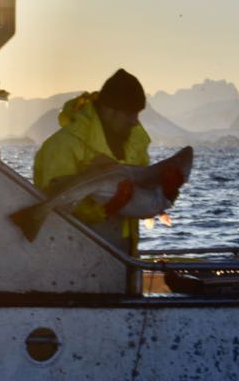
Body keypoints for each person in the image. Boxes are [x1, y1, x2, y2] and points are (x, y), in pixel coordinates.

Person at [33, 69, 151, 251]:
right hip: (73, 254)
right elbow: (55, 204)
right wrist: (105, 209)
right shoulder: (62, 145)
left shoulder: (135, 143)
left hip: (124, 255)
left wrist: (159, 195)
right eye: (129, 113)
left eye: (137, 113)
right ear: (109, 110)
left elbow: (142, 188)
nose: (135, 121)